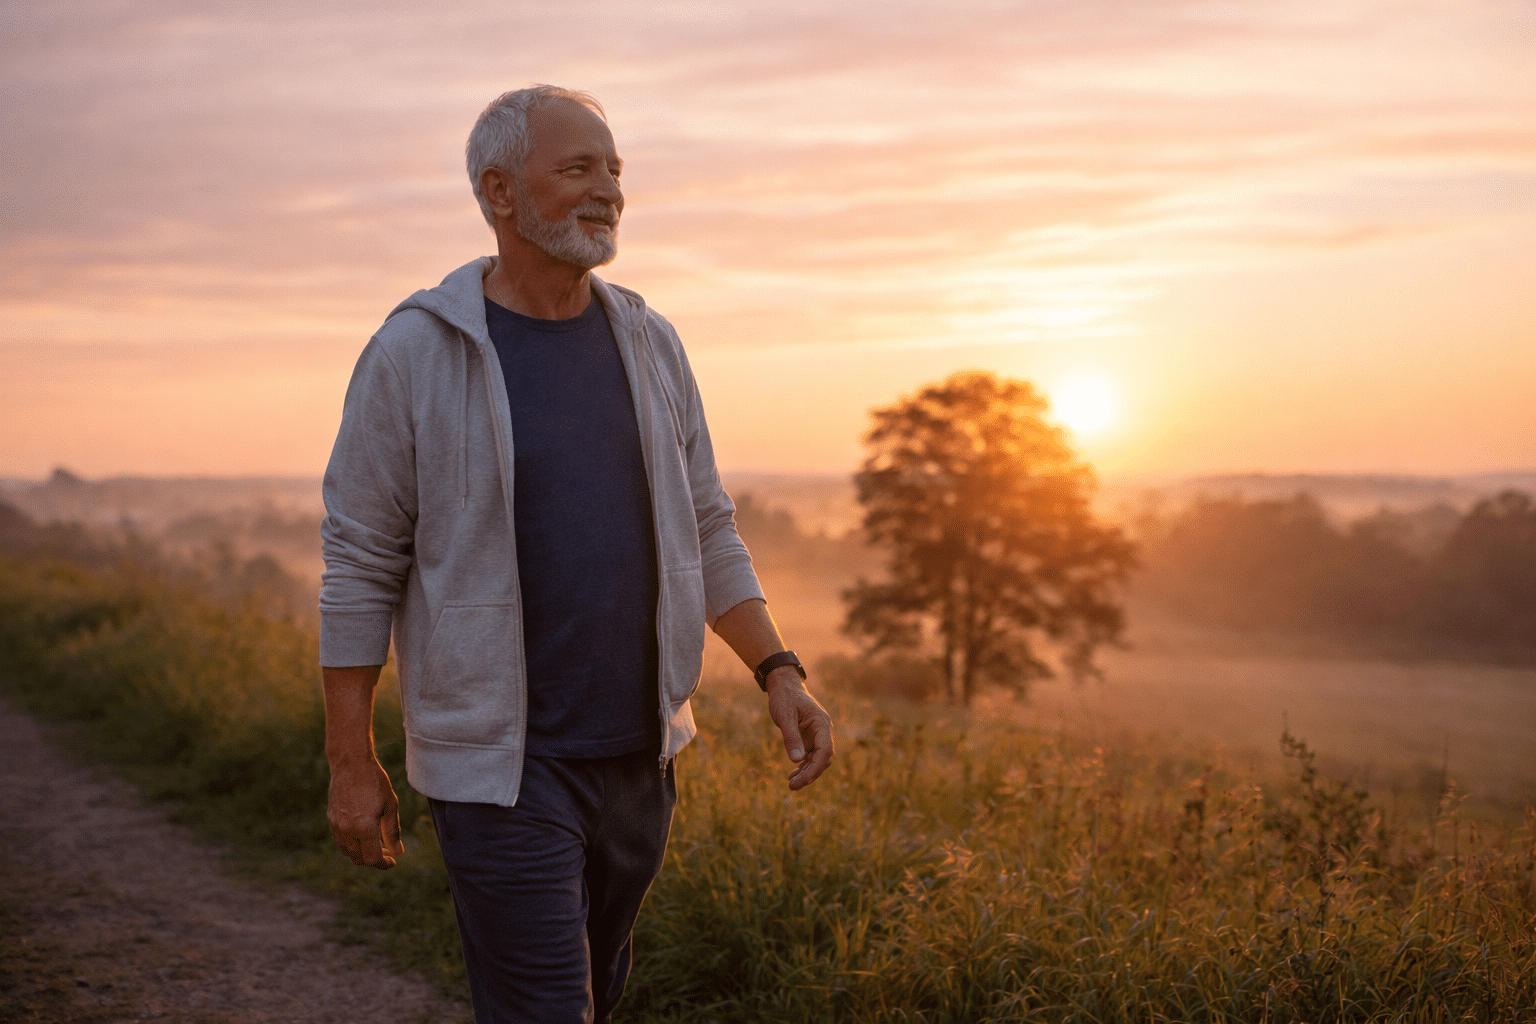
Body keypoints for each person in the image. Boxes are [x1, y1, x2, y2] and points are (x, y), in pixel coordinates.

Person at [318, 84, 834, 1023]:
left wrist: (778, 668)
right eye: (578, 168)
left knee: (597, 991)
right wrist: (350, 762)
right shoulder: (414, 354)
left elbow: (707, 525)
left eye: (615, 169)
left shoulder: (651, 344)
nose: (609, 190)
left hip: (642, 761)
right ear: (500, 192)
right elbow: (359, 562)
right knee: (549, 1007)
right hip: (500, 771)